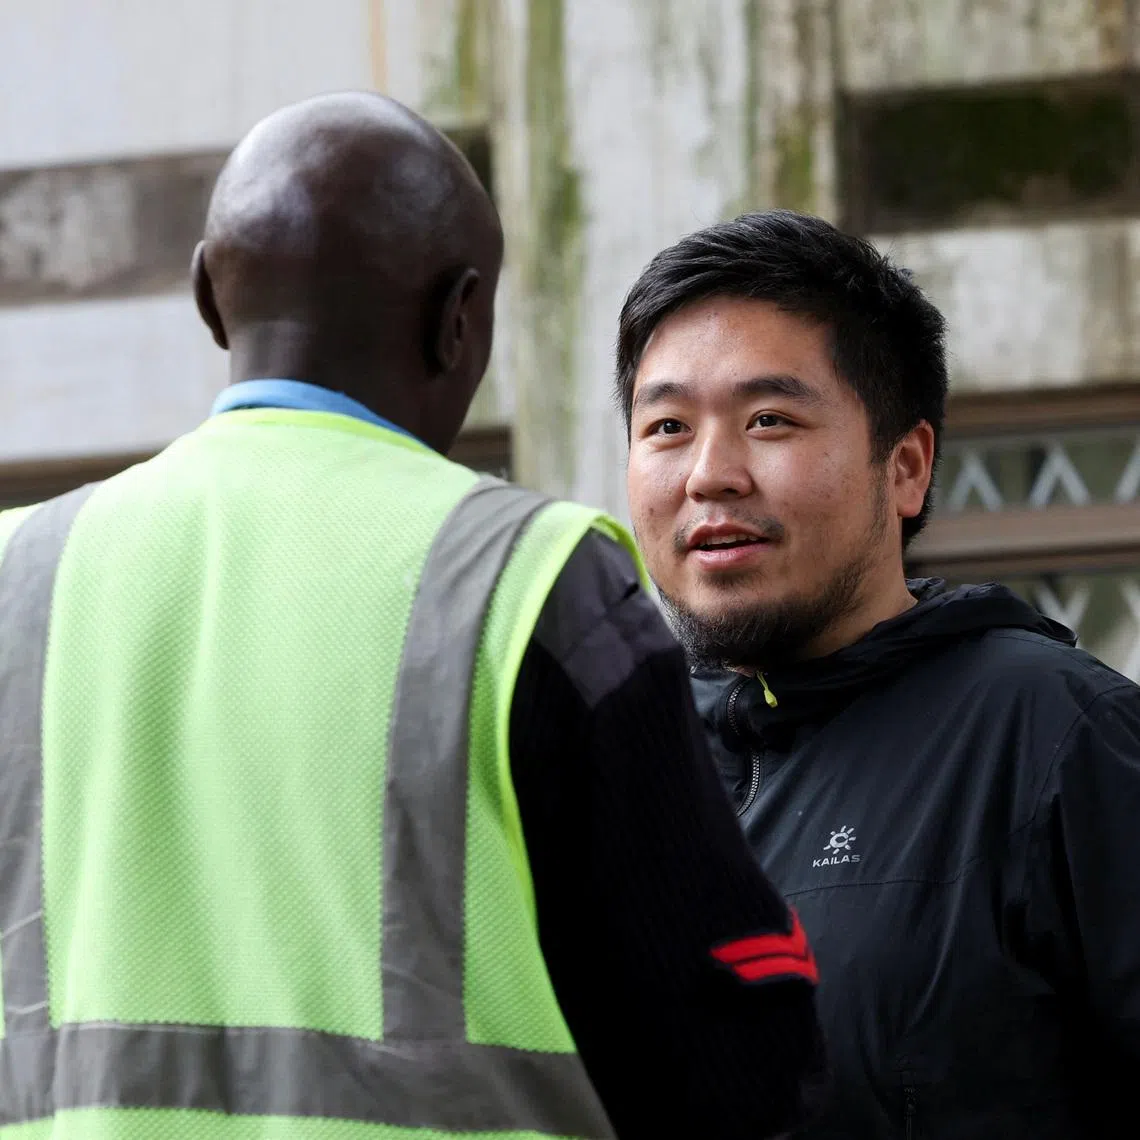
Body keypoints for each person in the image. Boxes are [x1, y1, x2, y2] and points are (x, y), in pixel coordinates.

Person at [0, 98, 826, 1139]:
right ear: (460, 317)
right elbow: (727, 1028)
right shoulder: (527, 577)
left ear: (209, 295)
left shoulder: (17, 575)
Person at [618, 208, 1140, 1139]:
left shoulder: (1055, 736)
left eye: (768, 419)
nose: (709, 474)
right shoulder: (628, 766)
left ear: (905, 468)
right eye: (665, 426)